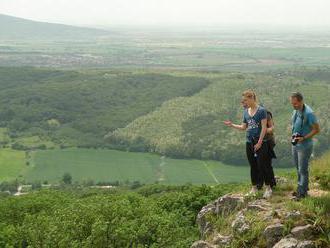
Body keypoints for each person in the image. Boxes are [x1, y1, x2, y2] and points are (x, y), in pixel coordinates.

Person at [224, 90, 274, 198]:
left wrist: (260, 142)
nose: (244, 102)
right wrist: (232, 125)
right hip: (249, 141)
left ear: (252, 98)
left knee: (263, 165)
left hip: (261, 142)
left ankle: (268, 188)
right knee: (253, 165)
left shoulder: (262, 111)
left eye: (245, 100)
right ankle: (254, 188)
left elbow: (264, 127)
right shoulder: (246, 112)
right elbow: (243, 127)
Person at [290, 92, 320, 200]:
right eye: (292, 104)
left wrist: (304, 138)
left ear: (301, 100)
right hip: (295, 143)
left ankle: (302, 194)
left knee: (303, 169)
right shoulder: (296, 111)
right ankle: (301, 188)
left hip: (305, 145)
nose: (294, 106)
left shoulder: (309, 113)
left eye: (296, 103)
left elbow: (317, 129)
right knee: (298, 168)